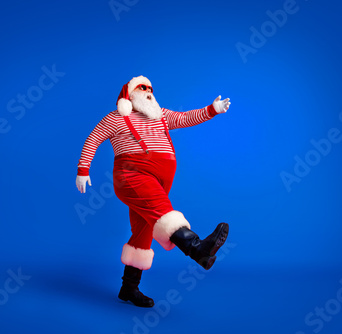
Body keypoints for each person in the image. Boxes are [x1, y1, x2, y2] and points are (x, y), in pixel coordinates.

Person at [76, 75, 231, 307]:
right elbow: (93, 139)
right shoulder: (117, 118)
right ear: (129, 94)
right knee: (161, 210)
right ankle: (197, 248)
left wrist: (212, 109)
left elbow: (186, 117)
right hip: (132, 176)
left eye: (150, 88)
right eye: (142, 88)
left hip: (160, 180)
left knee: (143, 233)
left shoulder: (161, 115)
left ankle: (128, 288)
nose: (148, 92)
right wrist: (83, 170)